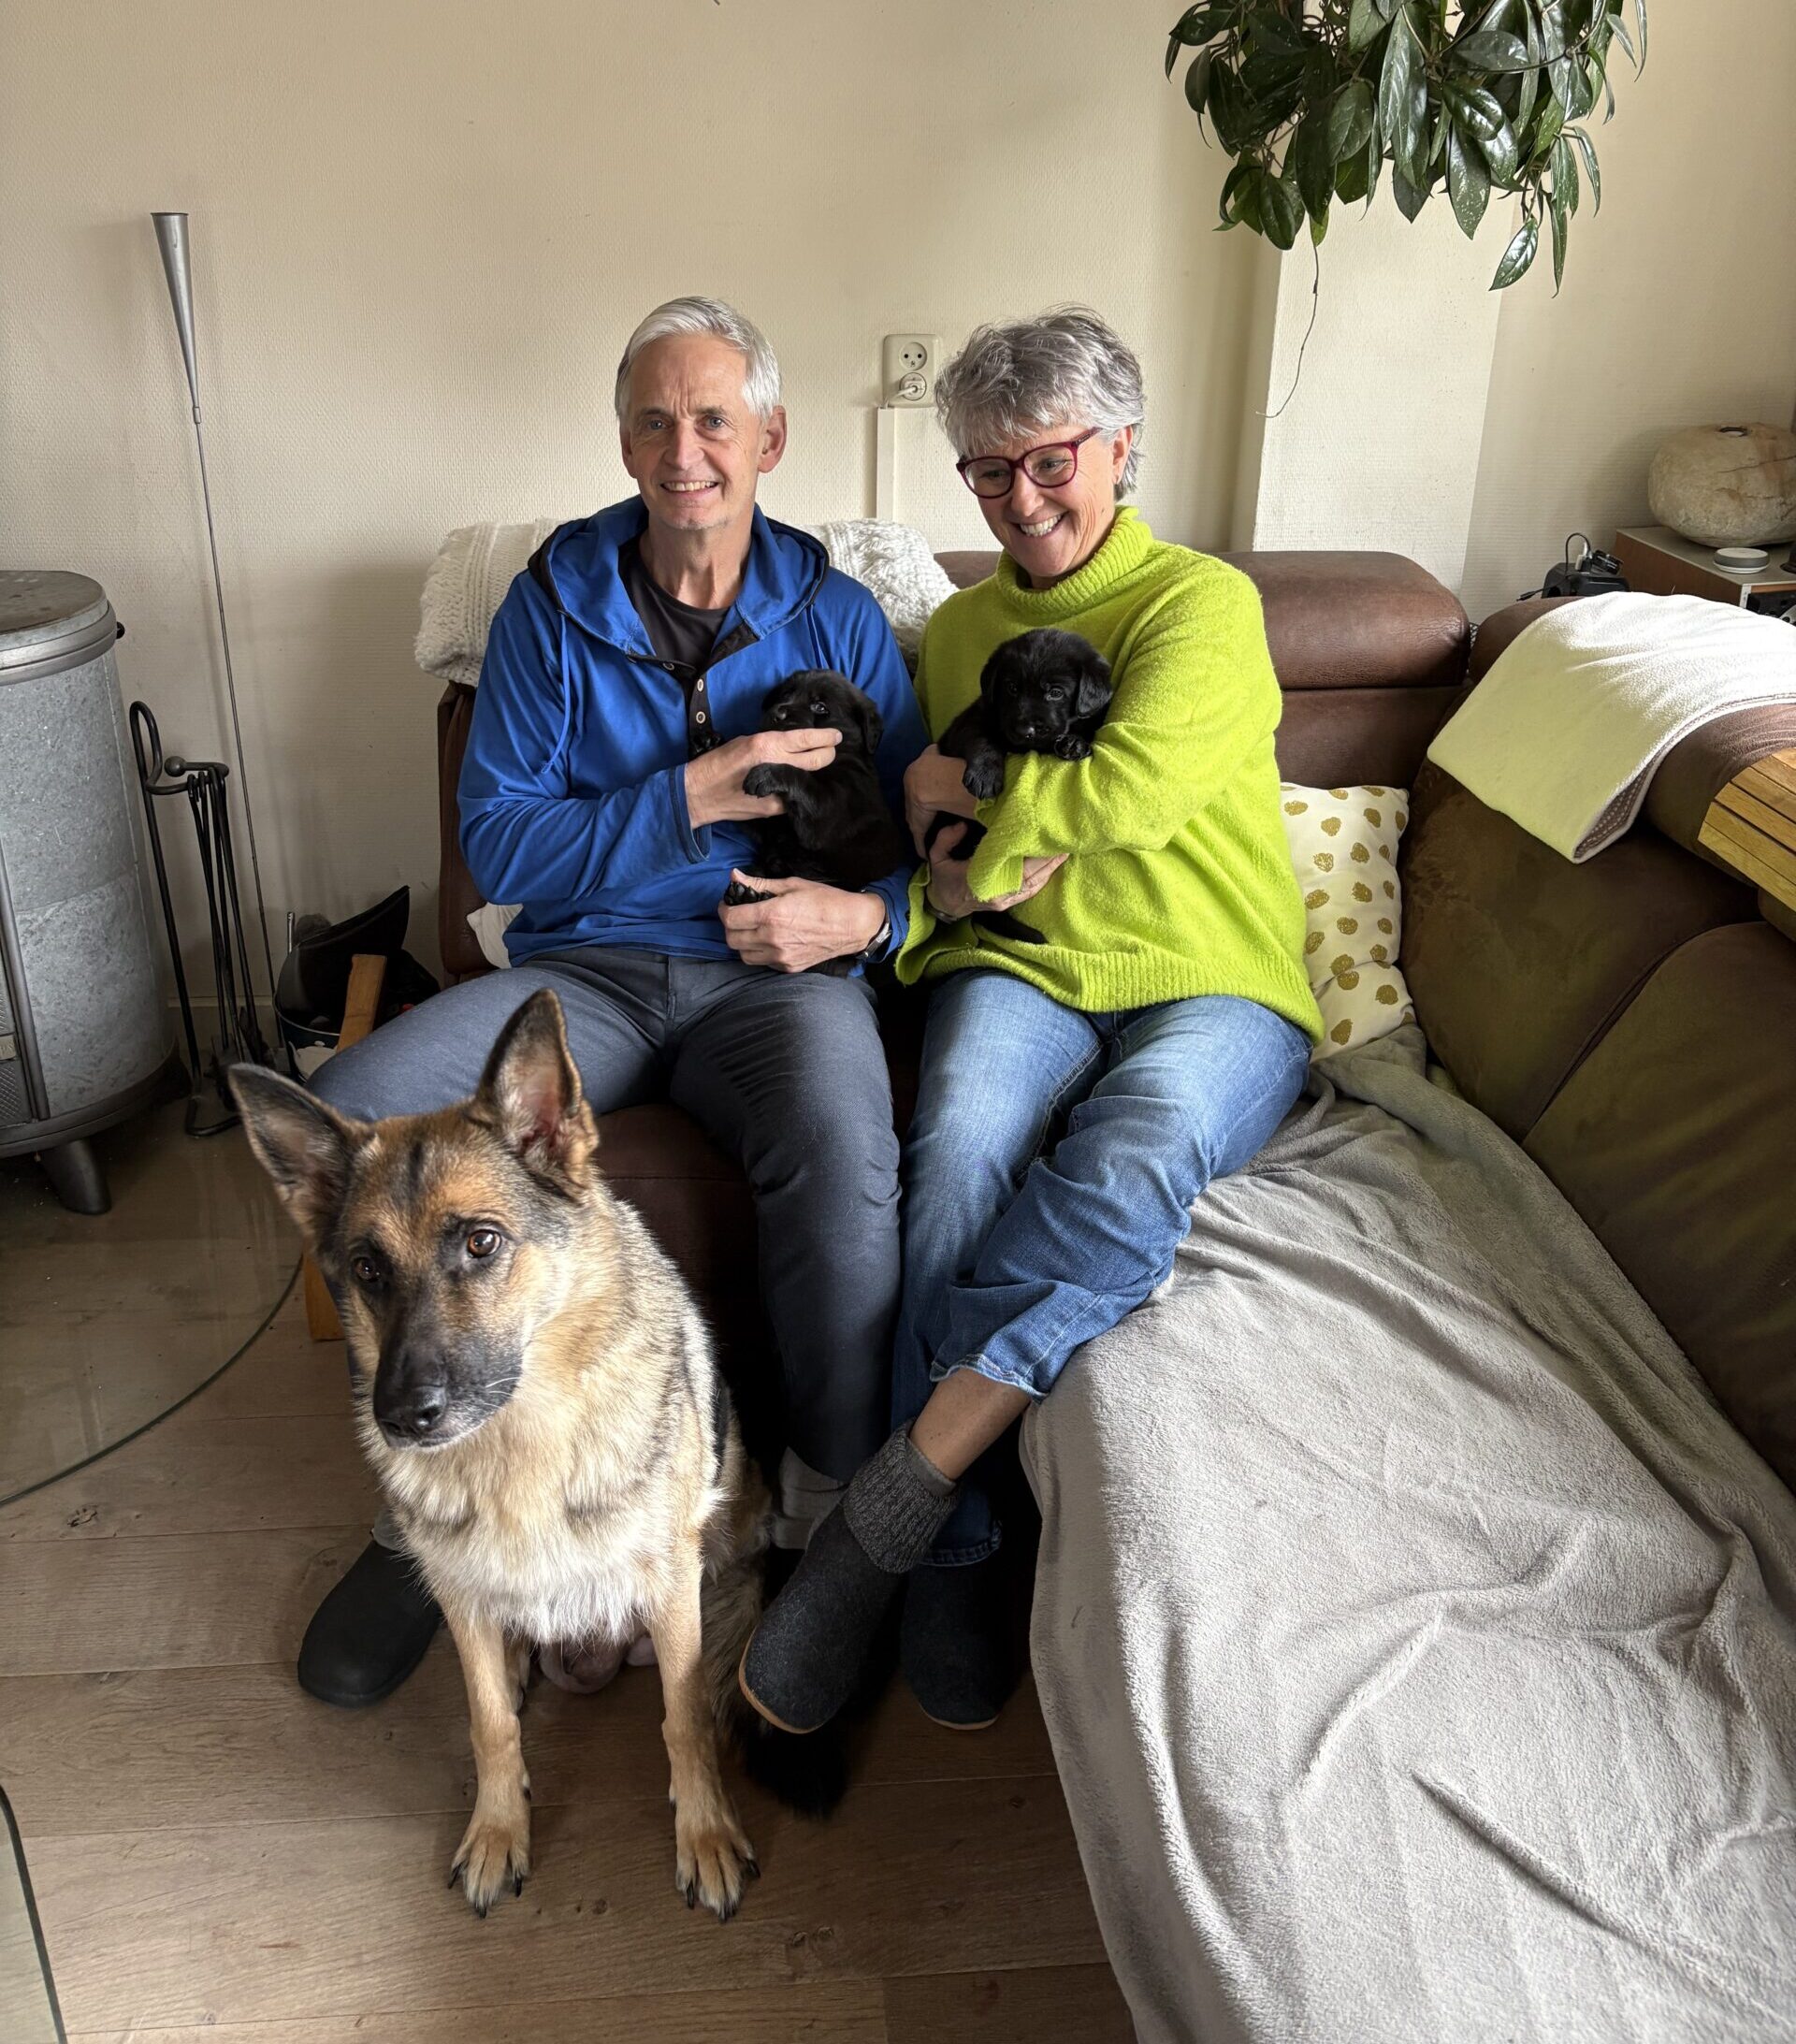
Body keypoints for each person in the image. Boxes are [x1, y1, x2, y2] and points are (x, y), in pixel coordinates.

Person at [296, 297, 928, 1708]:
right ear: (624, 439)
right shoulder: (549, 605)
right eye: (655, 418)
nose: (684, 449)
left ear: (769, 437)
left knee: (845, 1148)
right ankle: (434, 1518)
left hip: (771, 979)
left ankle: (830, 1516)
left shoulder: (836, 616)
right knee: (346, 1129)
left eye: (714, 419)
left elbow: (909, 831)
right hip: (579, 979)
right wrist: (696, 792)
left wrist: (856, 915)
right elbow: (506, 843)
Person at [740, 308, 1324, 1735]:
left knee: (1132, 1159)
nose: (1021, 498)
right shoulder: (959, 632)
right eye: (986, 474)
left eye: (1048, 460)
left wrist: (979, 814)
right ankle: (957, 1557)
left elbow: (1121, 794)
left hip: (1214, 980)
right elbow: (940, 845)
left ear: (1124, 446)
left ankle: (895, 1509)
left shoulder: (1201, 605)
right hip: (1021, 968)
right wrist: (956, 870)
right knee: (949, 1158)